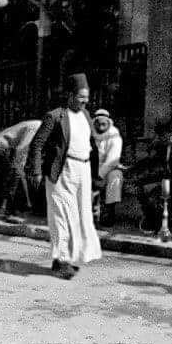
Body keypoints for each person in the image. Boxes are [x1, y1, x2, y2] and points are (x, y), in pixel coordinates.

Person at [27, 73, 101, 279]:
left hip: (83, 170)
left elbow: (92, 144)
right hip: (62, 171)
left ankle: (68, 258)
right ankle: (60, 261)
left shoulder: (86, 116)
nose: (85, 101)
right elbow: (37, 144)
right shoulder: (55, 116)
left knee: (79, 217)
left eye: (87, 97)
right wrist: (36, 171)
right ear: (69, 95)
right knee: (61, 216)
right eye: (81, 96)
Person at [0, 117, 41, 217]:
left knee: (1, 177)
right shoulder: (36, 128)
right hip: (0, 146)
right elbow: (21, 148)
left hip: (3, 146)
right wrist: (20, 167)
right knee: (7, 177)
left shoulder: (37, 125)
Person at [90, 107, 124, 224]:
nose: (101, 126)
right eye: (98, 123)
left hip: (107, 170)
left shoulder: (114, 135)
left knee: (116, 176)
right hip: (89, 169)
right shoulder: (88, 133)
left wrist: (99, 175)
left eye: (104, 123)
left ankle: (108, 213)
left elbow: (113, 159)